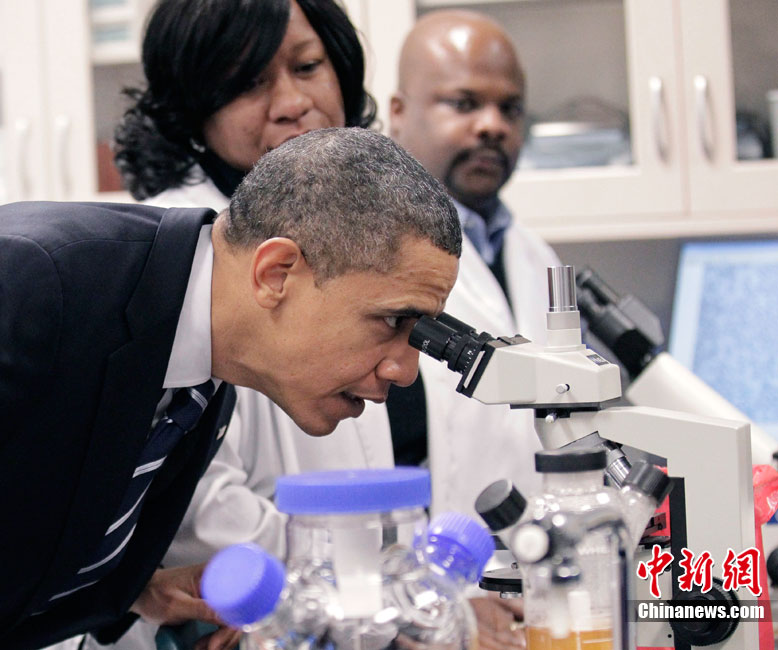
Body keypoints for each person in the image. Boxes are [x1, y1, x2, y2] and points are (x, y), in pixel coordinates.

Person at [0, 127, 461, 650]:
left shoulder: (203, 373)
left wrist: (131, 593)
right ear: (276, 273)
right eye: (395, 320)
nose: (405, 371)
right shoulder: (29, 280)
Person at [388, 10, 562, 648]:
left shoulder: (537, 257)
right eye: (463, 103)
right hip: (429, 611)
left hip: (535, 595)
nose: (492, 125)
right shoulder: (369, 261)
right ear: (398, 113)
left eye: (509, 108)